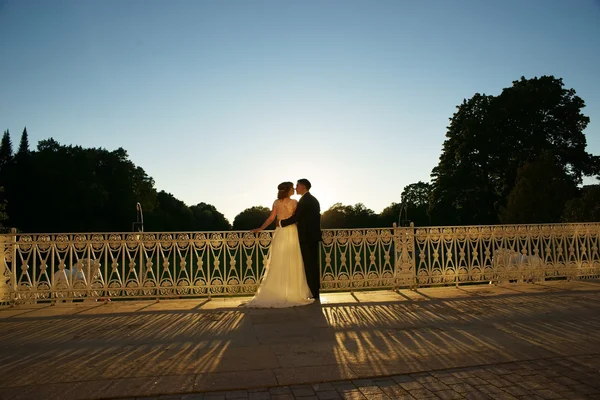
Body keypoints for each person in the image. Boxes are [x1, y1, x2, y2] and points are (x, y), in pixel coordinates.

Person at [244, 182, 314, 308]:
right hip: (291, 231)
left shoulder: (276, 202)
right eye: (292, 188)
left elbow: (271, 219)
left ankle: (279, 292)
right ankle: (292, 293)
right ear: (288, 190)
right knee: (292, 261)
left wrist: (261, 228)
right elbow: (297, 218)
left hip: (280, 232)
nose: (294, 189)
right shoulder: (294, 203)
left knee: (279, 260)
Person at [279, 179, 322, 300]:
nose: (296, 188)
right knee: (312, 265)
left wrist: (281, 223)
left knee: (309, 265)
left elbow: (296, 218)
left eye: (297, 186)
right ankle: (314, 292)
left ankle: (313, 292)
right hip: (311, 236)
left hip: (307, 237)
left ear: (303, 186)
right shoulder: (311, 199)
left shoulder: (305, 201)